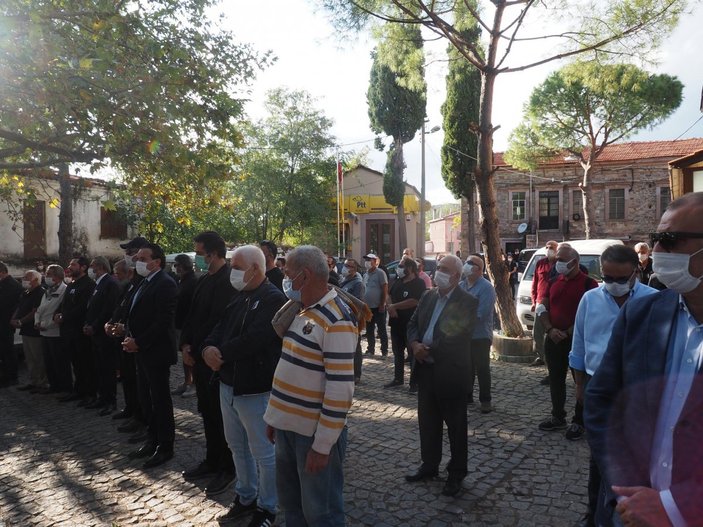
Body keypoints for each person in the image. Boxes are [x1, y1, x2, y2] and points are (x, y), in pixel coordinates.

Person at [585, 191, 703, 527]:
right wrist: (626, 489)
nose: (657, 252)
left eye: (670, 240)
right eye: (655, 239)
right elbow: (602, 401)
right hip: (626, 511)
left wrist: (674, 506)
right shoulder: (641, 314)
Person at [264, 245, 357, 526]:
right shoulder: (300, 310)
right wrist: (275, 417)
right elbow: (289, 368)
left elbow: (341, 390)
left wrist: (323, 445)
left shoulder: (337, 319)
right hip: (287, 429)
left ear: (304, 276)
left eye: (288, 273)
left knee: (321, 514)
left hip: (312, 436)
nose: (284, 278)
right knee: (291, 509)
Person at [569, 245, 657, 527]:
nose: (614, 285)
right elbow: (579, 347)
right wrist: (580, 387)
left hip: (638, 386)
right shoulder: (590, 299)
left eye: (621, 279)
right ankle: (595, 512)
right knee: (598, 456)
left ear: (635, 272)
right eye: (608, 278)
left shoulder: (655, 301)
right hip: (598, 385)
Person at [202, 245, 286, 527]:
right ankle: (245, 496)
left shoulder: (274, 299)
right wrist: (208, 349)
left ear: (255, 269)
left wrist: (220, 354)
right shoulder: (239, 297)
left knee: (263, 452)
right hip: (228, 385)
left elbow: (256, 339)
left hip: (255, 389)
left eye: (237, 267)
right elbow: (218, 327)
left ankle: (267, 507)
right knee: (236, 446)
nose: (232, 271)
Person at [405, 255, 477, 497]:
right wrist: (414, 345)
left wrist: (427, 350)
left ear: (457, 276)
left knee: (456, 427)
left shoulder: (467, 301)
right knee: (428, 422)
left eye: (445, 269)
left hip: (450, 373)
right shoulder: (428, 295)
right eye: (439, 268)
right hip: (425, 372)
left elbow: (457, 335)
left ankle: (456, 473)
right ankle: (430, 465)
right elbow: (413, 323)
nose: (439, 273)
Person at [180, 231, 237, 495]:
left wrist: (204, 349)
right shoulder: (204, 280)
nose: (199, 259)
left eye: (201, 254)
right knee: (207, 413)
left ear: (214, 254)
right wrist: (186, 345)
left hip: (215, 361)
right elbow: (192, 316)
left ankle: (228, 466)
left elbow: (221, 324)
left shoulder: (228, 282)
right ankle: (212, 459)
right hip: (198, 358)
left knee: (222, 416)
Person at [123, 243, 178, 469]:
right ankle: (152, 438)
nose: (138, 261)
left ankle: (165, 446)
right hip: (142, 350)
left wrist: (140, 341)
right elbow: (136, 314)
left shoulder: (165, 283)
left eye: (143, 258)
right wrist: (127, 334)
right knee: (146, 398)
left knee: (160, 400)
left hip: (156, 351)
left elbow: (162, 321)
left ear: (156, 262)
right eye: (138, 258)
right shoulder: (145, 282)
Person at [536, 246, 597, 438]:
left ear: (574, 262)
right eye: (556, 259)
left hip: (577, 342)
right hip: (553, 339)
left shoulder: (589, 284)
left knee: (581, 382)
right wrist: (550, 329)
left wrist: (569, 332)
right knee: (556, 379)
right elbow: (542, 307)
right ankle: (558, 416)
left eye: (562, 259)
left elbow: (590, 314)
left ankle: (579, 421)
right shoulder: (553, 281)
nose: (557, 263)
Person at [106, 237, 150, 430]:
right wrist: (113, 322)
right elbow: (123, 306)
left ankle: (142, 417)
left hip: (139, 341)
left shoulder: (146, 280)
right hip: (125, 338)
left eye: (132, 252)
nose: (129, 255)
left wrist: (126, 328)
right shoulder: (133, 280)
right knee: (128, 378)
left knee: (141, 384)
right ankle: (131, 408)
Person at [55, 257, 96, 405]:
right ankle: (78, 391)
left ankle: (90, 393)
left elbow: (83, 307)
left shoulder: (88, 285)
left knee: (86, 363)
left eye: (73, 264)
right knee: (76, 364)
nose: (69, 267)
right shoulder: (71, 284)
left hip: (80, 331)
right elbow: (64, 304)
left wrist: (64, 316)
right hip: (69, 331)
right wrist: (58, 313)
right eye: (69, 264)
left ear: (83, 267)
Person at [83, 257, 121, 415]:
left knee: (107, 368)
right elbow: (91, 307)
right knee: (99, 367)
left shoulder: (110, 283)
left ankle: (110, 400)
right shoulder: (98, 284)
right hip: (95, 332)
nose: (90, 270)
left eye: (92, 267)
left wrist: (95, 325)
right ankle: (101, 397)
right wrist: (87, 323)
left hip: (104, 332)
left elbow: (108, 309)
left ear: (100, 267)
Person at [460, 255, 496, 413]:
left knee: (482, 368)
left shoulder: (486, 287)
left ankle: (485, 400)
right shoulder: (461, 285)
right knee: (466, 367)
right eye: (466, 262)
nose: (466, 265)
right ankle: (467, 396)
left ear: (479, 269)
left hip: (480, 335)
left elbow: (481, 313)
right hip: (464, 335)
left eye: (470, 263)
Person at [384, 257, 426, 390]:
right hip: (396, 322)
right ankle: (398, 378)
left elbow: (414, 301)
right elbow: (388, 295)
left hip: (410, 323)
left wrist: (394, 306)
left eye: (402, 266)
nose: (399, 269)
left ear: (410, 268)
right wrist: (390, 306)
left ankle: (414, 382)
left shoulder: (419, 283)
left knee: (413, 352)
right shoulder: (397, 281)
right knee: (397, 352)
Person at [35, 265, 70, 394]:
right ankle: (54, 385)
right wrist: (37, 321)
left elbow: (58, 312)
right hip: (44, 331)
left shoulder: (64, 290)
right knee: (49, 362)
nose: (46, 276)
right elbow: (40, 309)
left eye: (49, 274)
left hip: (55, 331)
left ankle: (64, 387)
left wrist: (46, 324)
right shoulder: (47, 290)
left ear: (58, 276)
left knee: (59, 362)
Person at [12, 270, 47, 392]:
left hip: (35, 330)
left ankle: (42, 383)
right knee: (30, 359)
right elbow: (20, 306)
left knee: (38, 358)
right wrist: (14, 318)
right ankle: (33, 381)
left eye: (27, 278)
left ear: (36, 280)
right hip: (25, 330)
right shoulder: (26, 292)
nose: (23, 280)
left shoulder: (40, 292)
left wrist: (21, 321)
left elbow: (35, 311)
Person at [171, 254, 197, 398]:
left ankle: (194, 384)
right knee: (184, 356)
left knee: (190, 355)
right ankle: (187, 381)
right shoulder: (182, 281)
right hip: (180, 323)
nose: (175, 268)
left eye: (177, 265)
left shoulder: (192, 281)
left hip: (188, 324)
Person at [530, 240, 558, 369]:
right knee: (537, 333)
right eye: (546, 247)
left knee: (551, 332)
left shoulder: (560, 264)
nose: (548, 249)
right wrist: (533, 301)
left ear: (556, 249)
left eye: (551, 247)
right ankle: (541, 356)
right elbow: (534, 284)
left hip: (554, 304)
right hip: (540, 303)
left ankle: (551, 360)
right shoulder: (540, 263)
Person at [340, 258, 365, 384]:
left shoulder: (358, 284)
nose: (346, 268)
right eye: (345, 265)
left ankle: (357, 374)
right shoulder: (342, 280)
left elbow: (357, 303)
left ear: (354, 269)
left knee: (356, 347)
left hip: (352, 318)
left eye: (349, 266)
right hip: (341, 318)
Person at [0, 262, 22, 387]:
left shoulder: (12, 285)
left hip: (7, 322)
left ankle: (12, 377)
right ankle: (5, 375)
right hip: (2, 321)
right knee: (3, 351)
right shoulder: (3, 284)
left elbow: (6, 303)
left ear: (2, 272)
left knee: (8, 350)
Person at [363, 253, 388, 357]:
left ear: (374, 261)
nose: (367, 262)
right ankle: (370, 349)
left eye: (369, 259)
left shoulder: (380, 273)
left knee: (381, 329)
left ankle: (384, 350)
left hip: (378, 306)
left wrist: (382, 304)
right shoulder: (365, 274)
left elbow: (385, 288)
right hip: (368, 307)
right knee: (369, 329)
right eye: (366, 260)